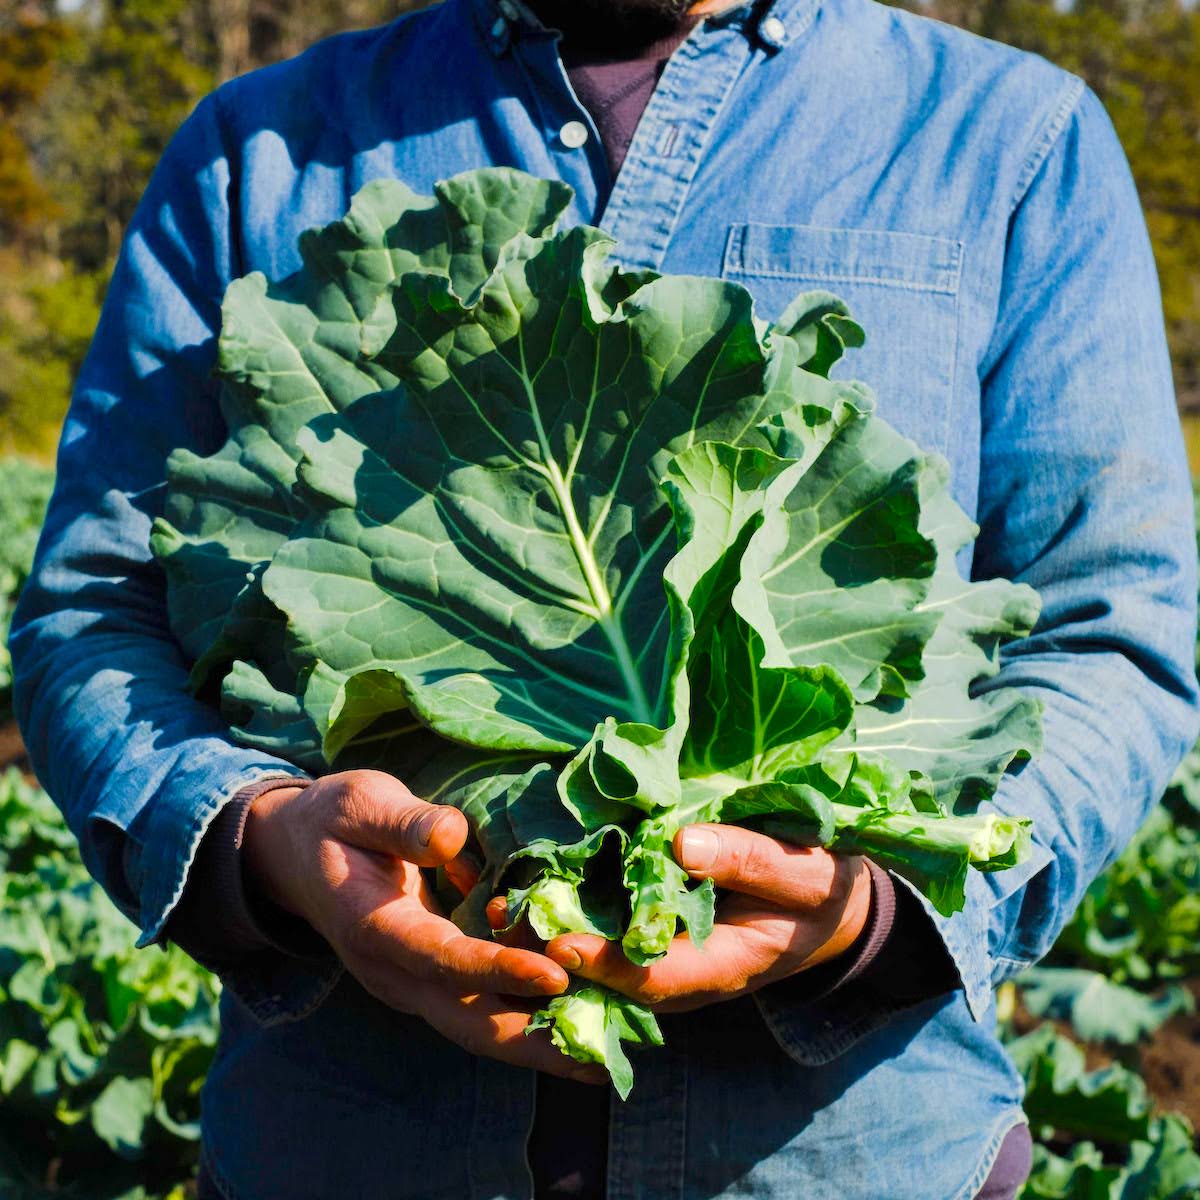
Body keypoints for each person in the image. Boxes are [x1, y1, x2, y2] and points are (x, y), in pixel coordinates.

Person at [11, 0, 1199, 1196]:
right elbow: (91, 614)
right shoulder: (255, 153)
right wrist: (260, 838)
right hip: (348, 1147)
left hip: (855, 1157)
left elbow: (1113, 629)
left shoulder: (1009, 139)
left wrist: (877, 917)